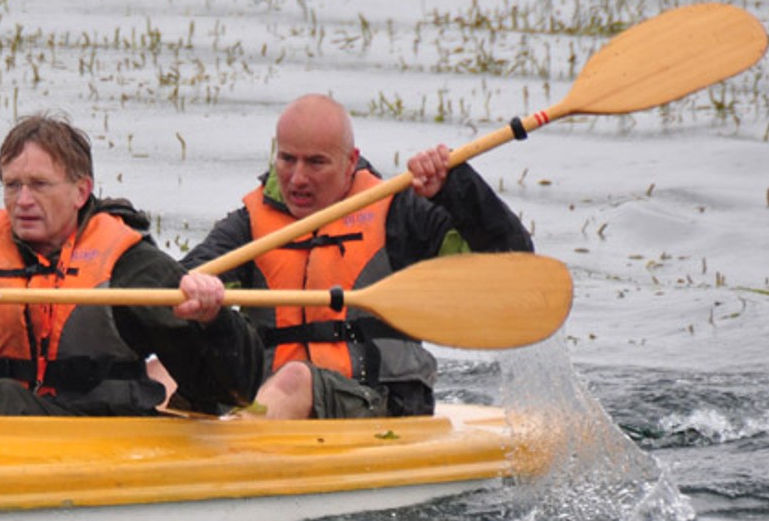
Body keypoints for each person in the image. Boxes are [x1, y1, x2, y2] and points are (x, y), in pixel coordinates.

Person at [0, 113, 263, 416]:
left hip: (96, 438)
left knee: (4, 399)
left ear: (81, 191)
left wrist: (215, 320)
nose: (23, 200)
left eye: (39, 185)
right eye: (12, 185)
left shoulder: (132, 270)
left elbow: (230, 387)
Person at [179, 94, 533, 420]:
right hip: (267, 395)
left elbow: (514, 261)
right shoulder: (250, 221)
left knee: (295, 381)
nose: (297, 178)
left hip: (378, 399)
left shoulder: (400, 214)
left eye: (316, 163)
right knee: (168, 371)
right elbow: (182, 278)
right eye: (287, 159)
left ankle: (234, 457)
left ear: (350, 162)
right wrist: (199, 296)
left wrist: (454, 188)